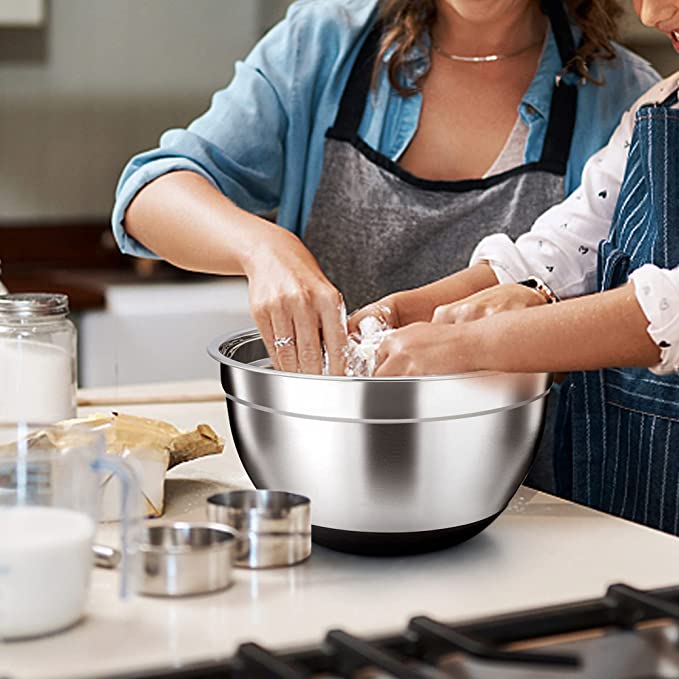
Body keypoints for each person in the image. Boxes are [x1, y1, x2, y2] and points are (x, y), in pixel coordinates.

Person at [112, 0, 656, 376]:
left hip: (540, 495)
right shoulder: (324, 45)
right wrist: (266, 249)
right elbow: (149, 194)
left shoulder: (633, 104)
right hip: (328, 462)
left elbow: (647, 319)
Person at [365, 0, 679, 534]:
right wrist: (394, 314)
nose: (651, 13)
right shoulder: (659, 110)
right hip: (632, 518)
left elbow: (667, 307)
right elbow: (557, 251)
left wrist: (467, 347)